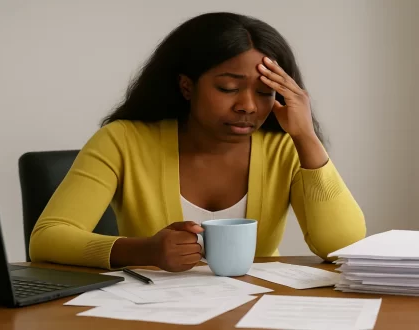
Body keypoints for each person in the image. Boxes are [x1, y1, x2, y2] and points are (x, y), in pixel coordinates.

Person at [29, 12, 366, 272]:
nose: (248, 105)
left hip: (258, 313)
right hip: (148, 314)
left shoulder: (286, 148)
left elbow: (343, 248)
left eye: (265, 92)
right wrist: (145, 250)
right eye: (228, 88)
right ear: (187, 86)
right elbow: (48, 238)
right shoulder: (122, 141)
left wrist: (306, 137)